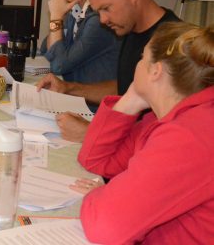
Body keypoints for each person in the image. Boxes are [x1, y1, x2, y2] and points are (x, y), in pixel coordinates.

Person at [70, 22, 214, 244]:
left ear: (155, 71)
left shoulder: (188, 135)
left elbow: (106, 225)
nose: (136, 65)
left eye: (141, 58)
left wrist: (99, 196)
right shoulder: (165, 118)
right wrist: (130, 101)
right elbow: (96, 161)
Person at [36, 0, 180, 141]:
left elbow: (170, 136)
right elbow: (125, 87)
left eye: (106, 8)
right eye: (98, 11)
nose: (103, 20)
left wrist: (92, 133)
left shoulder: (173, 43)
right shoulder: (129, 28)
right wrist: (69, 88)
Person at [40, 0, 120, 112]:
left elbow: (58, 65)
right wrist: (59, 20)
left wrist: (55, 18)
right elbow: (47, 50)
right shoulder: (75, 9)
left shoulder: (99, 22)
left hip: (96, 108)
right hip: (75, 99)